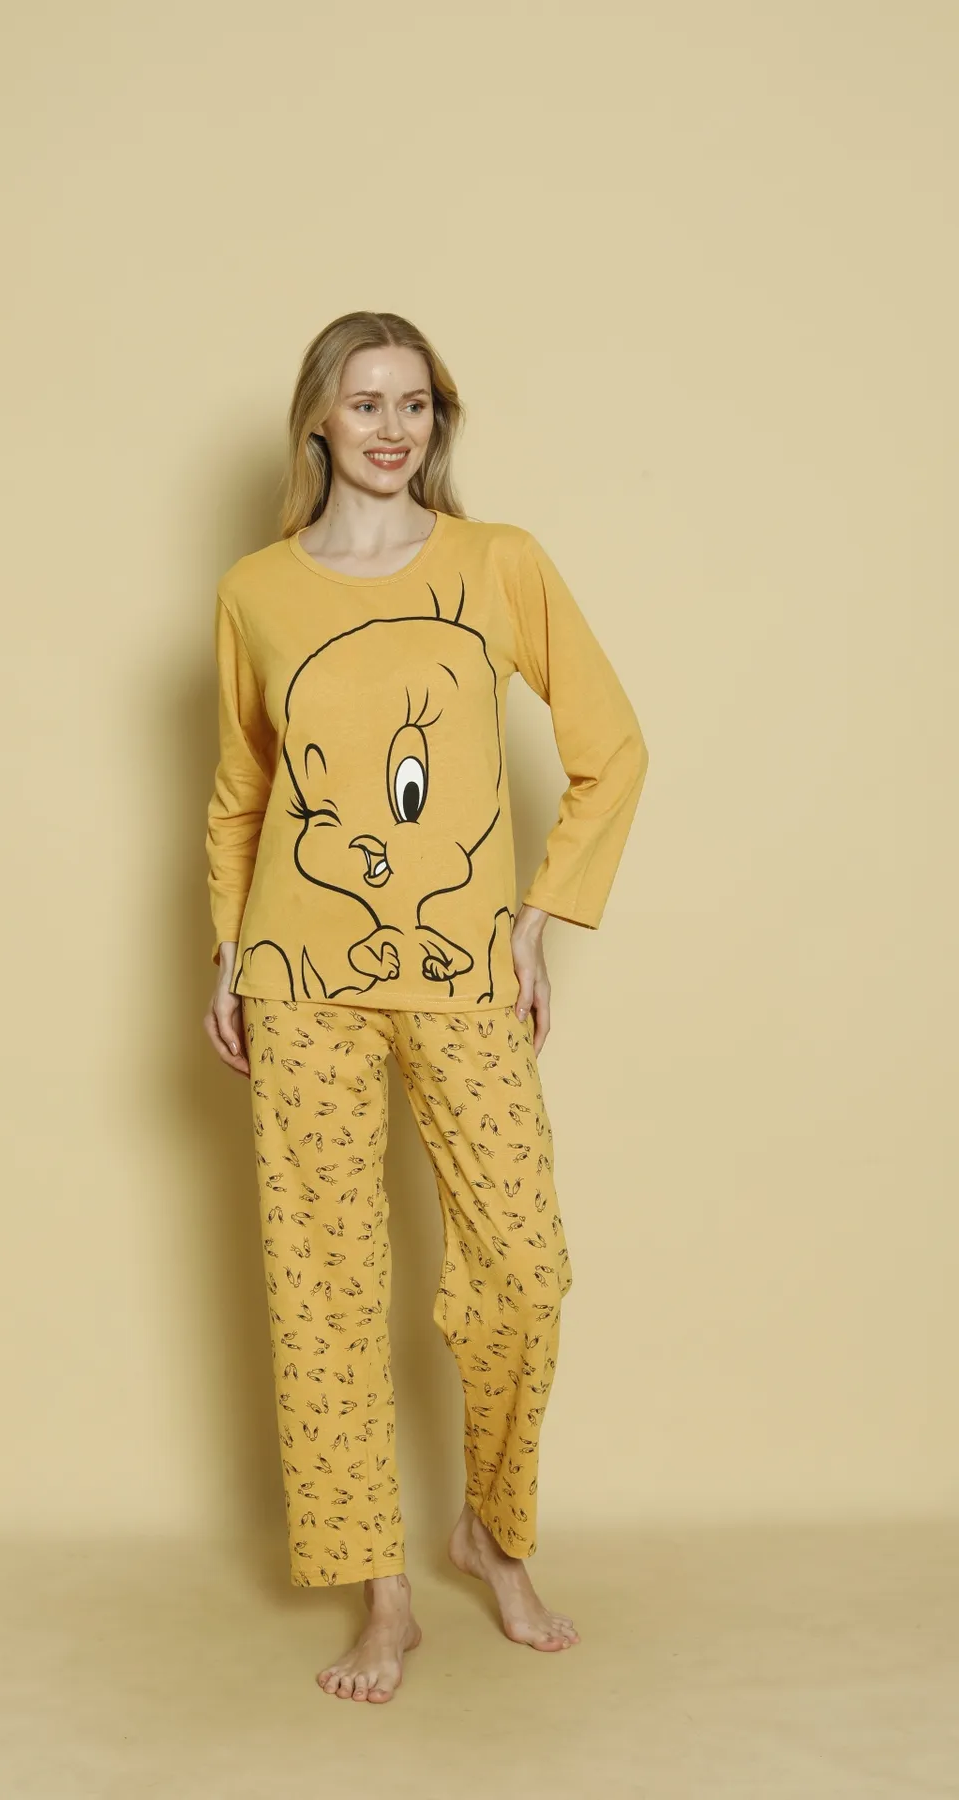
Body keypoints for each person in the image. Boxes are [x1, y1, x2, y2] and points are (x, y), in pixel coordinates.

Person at [203, 310, 649, 1703]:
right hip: (300, 979)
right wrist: (226, 952)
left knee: (523, 1264)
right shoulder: (256, 591)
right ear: (318, 420)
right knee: (324, 1283)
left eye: (415, 404)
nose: (392, 428)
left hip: (461, 972)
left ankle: (491, 1534)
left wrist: (537, 918)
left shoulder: (497, 562)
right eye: (366, 402)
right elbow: (242, 793)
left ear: (434, 421)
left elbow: (612, 747)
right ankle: (382, 1597)